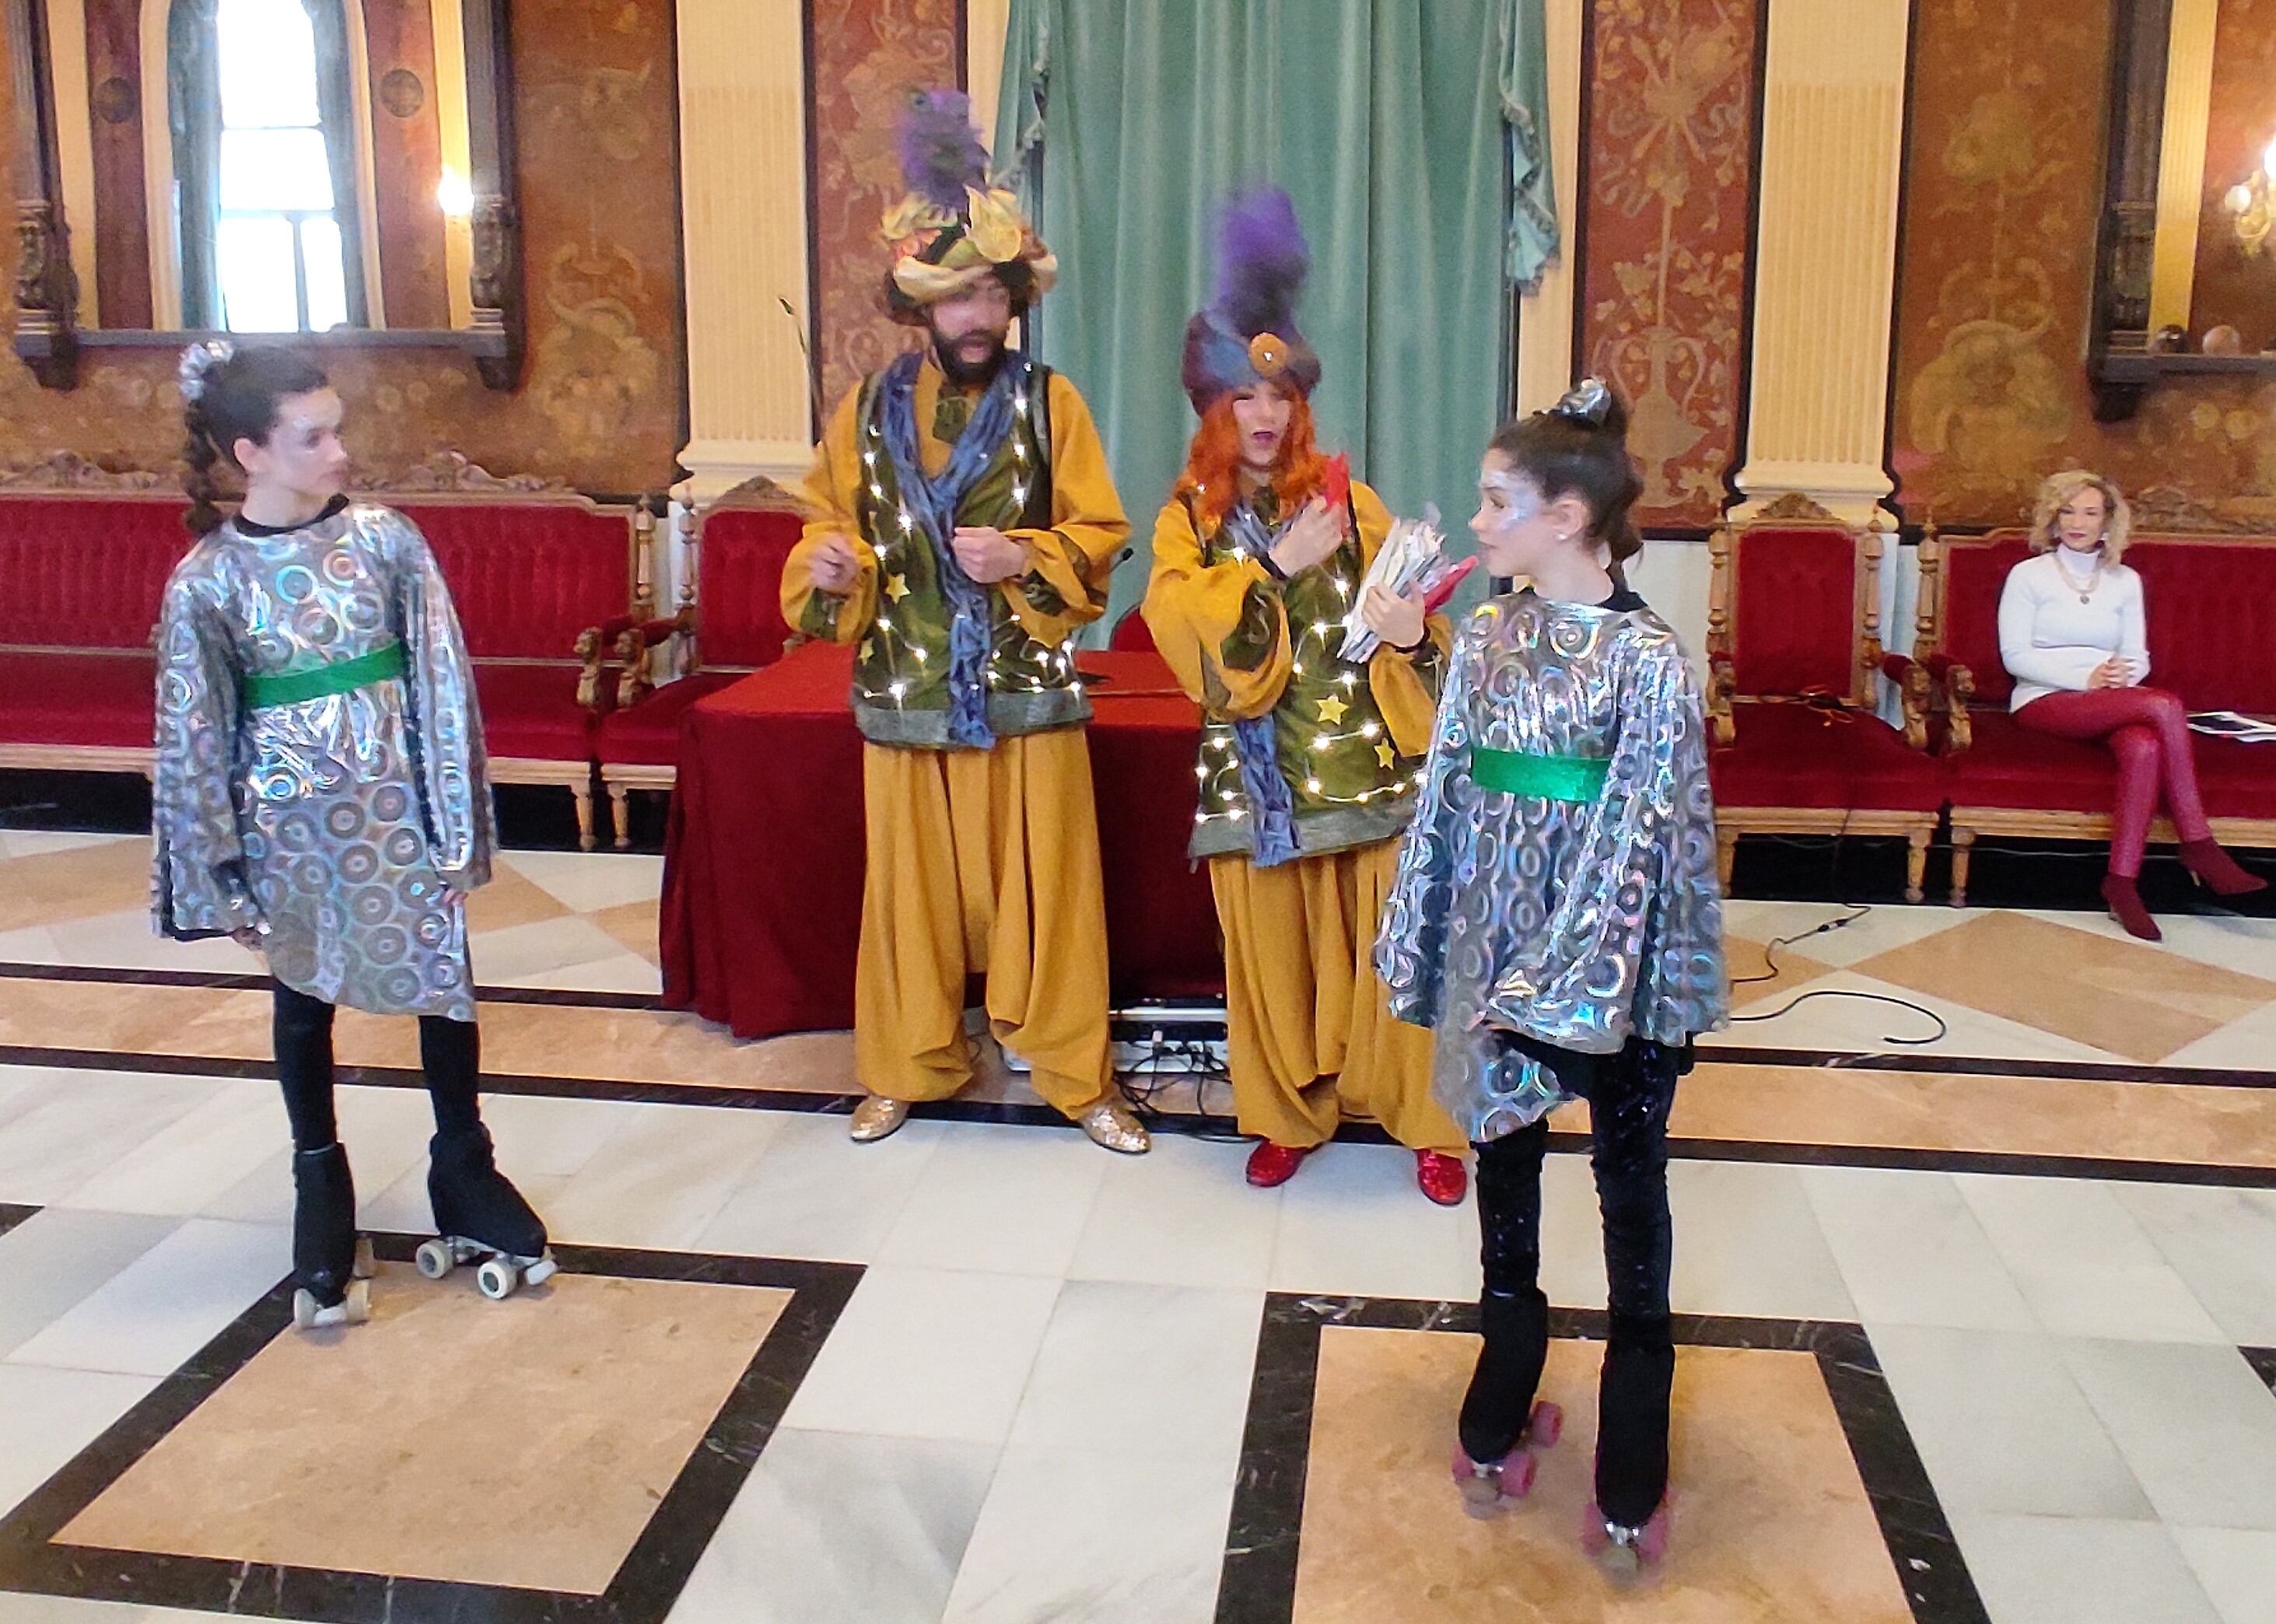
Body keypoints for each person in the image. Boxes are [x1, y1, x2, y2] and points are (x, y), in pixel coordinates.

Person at [1375, 380, 1728, 1569]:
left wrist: (1565, 978)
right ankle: (1495, 1410)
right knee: (1506, 1186)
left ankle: (1629, 1465)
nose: (1476, 524)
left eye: (1496, 502)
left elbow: (1644, 831)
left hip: (1611, 972)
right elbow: (1447, 794)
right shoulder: (1482, 634)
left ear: (1569, 515)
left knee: (1631, 1205)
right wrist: (1432, 930)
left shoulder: (1647, 658)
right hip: (1495, 948)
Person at [152, 341, 553, 1332]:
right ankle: (319, 1189)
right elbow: (193, 734)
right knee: (303, 1003)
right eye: (313, 436)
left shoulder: (384, 541)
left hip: (395, 809)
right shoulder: (205, 582)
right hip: (285, 826)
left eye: (338, 429)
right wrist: (224, 879)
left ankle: (464, 1169)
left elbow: (440, 684)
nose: (339, 451)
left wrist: (455, 826)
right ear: (251, 451)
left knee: (442, 986)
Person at [780, 90, 1147, 1153]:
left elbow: (1102, 532)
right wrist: (832, 561)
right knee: (908, 906)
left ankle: (1079, 1078)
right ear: (921, 306)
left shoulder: (1052, 402)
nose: (978, 316)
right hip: (906, 690)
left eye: (993, 293)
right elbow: (820, 525)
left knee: (1054, 903)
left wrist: (1024, 555)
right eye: (957, 297)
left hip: (1026, 696)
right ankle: (907, 1063)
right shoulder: (863, 406)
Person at [1141, 187, 1466, 1204]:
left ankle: (1428, 1123)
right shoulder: (1186, 522)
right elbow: (1181, 631)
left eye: (1280, 398)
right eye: (1245, 397)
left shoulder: (1350, 501)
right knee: (1273, 967)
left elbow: (1416, 623)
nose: (1267, 415)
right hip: (1263, 786)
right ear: (1214, 406)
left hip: (1372, 774)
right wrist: (1274, 568)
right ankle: (1286, 1113)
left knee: (1398, 962)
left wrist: (1419, 634)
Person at [1999, 469, 2266, 940]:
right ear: (2053, 518)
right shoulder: (2028, 576)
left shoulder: (2125, 580)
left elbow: (2137, 656)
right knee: (2164, 706)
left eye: (2090, 512)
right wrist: (2087, 677)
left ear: (2108, 523)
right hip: (2045, 697)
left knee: (2144, 747)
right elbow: (2016, 656)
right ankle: (2198, 843)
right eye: (2068, 511)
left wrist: (2121, 678)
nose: (2078, 522)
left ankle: (2121, 883)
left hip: (2114, 698)